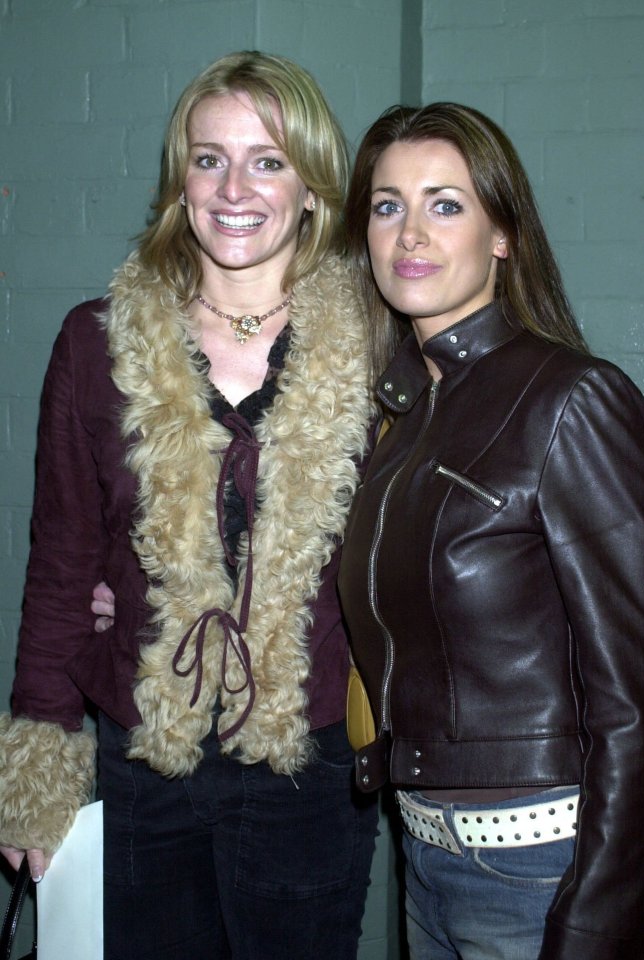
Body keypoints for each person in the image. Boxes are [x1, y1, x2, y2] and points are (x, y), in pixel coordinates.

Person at [0, 51, 378, 960]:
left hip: (310, 767)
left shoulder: (377, 347)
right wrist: (36, 775)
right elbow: (59, 564)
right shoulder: (95, 345)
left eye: (268, 160)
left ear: (313, 187)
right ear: (179, 183)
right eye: (209, 159)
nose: (234, 187)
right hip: (143, 760)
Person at [338, 101, 644, 960]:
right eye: (386, 204)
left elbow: (636, 694)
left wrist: (598, 917)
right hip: (427, 862)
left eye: (445, 204)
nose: (409, 233)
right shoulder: (402, 415)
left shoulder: (568, 398)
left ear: (502, 233)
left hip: (540, 871)